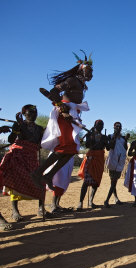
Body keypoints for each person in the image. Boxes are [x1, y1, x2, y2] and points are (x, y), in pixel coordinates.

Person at [32, 51, 92, 190]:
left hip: (72, 115)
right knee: (65, 146)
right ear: (81, 70)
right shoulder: (71, 81)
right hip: (63, 115)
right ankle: (37, 172)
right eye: (89, 71)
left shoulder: (81, 85)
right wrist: (62, 109)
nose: (91, 75)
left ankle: (48, 175)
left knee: (71, 150)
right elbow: (53, 92)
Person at [0, 105, 47, 221]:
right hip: (18, 157)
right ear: (24, 114)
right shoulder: (19, 125)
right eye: (29, 113)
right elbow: (11, 140)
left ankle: (41, 209)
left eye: (34, 113)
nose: (32, 115)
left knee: (40, 181)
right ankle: (15, 211)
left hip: (31, 157)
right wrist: (16, 129)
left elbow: (41, 144)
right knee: (16, 181)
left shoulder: (40, 129)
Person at [77, 120, 109, 210]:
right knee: (86, 182)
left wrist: (109, 142)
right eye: (98, 125)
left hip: (99, 160)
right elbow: (87, 145)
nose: (100, 126)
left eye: (102, 125)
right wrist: (90, 138)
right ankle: (80, 203)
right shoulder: (89, 135)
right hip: (91, 158)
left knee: (96, 181)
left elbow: (108, 148)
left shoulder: (104, 137)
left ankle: (91, 201)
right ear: (94, 126)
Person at [104, 122, 128, 208]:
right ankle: (107, 200)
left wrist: (126, 139)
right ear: (114, 127)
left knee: (114, 182)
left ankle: (114, 199)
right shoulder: (110, 136)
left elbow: (125, 149)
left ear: (121, 128)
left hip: (120, 162)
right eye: (116, 126)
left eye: (119, 127)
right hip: (112, 161)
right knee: (113, 182)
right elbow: (108, 147)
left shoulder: (123, 138)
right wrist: (113, 138)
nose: (118, 128)